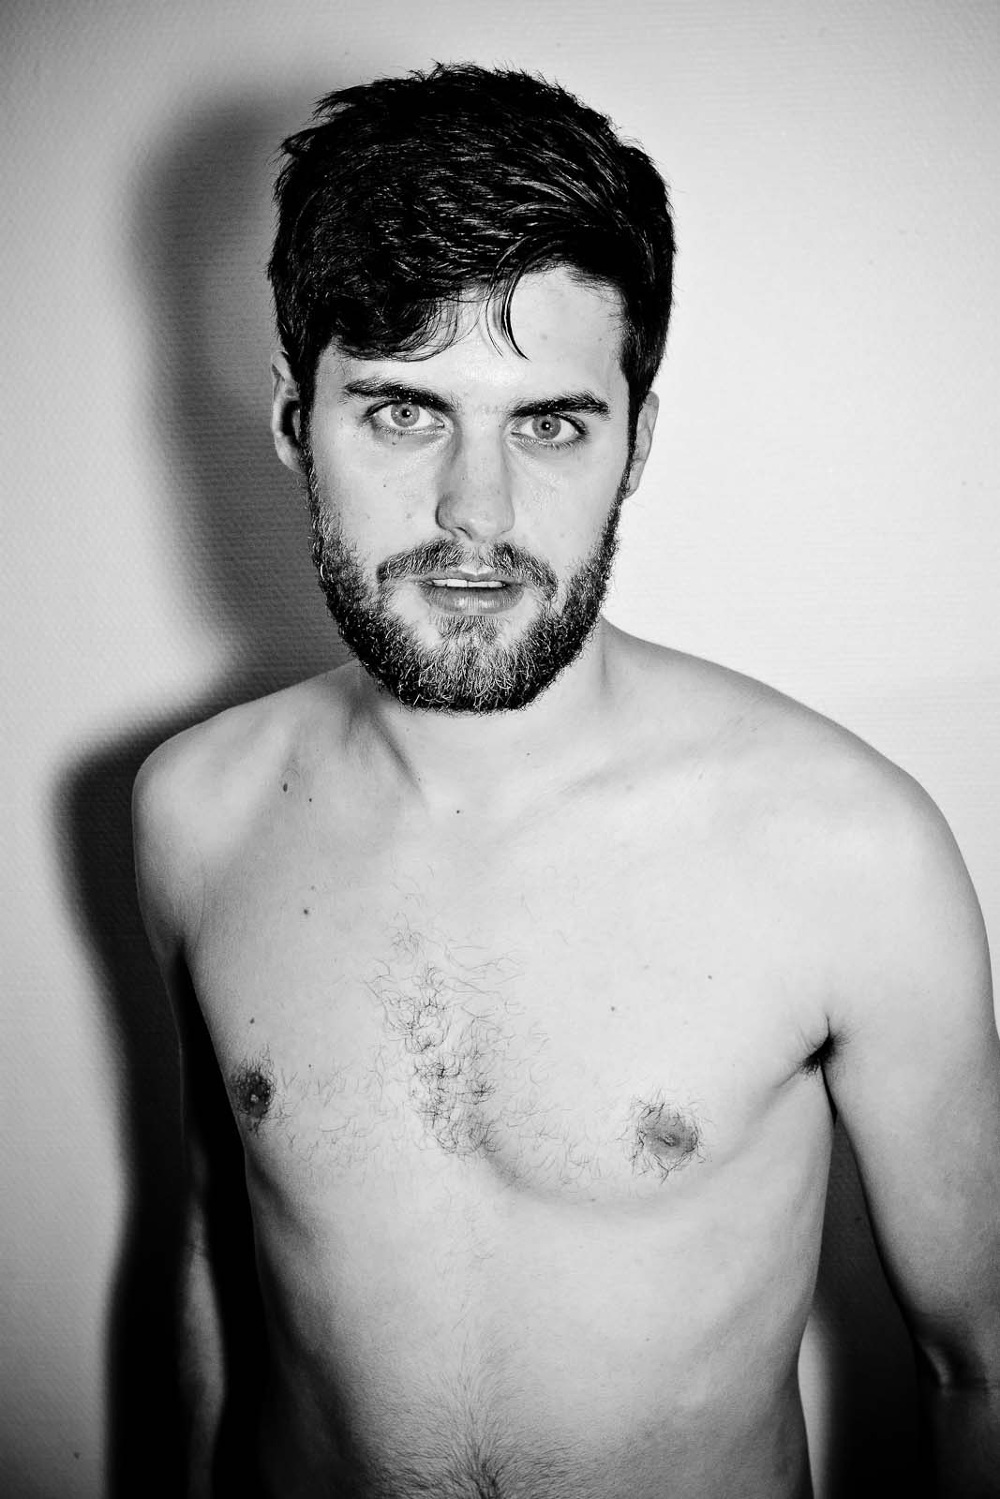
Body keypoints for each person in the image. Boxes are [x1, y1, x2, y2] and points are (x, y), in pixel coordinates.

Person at [133, 62, 1000, 1499]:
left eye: (548, 423)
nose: (475, 515)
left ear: (636, 442)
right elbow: (216, 1256)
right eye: (404, 413)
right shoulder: (197, 814)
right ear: (295, 421)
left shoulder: (850, 851)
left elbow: (981, 1362)